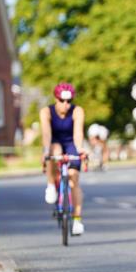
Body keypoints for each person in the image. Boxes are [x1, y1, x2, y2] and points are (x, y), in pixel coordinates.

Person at [40, 82, 86, 236]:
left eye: (69, 101)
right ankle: (51, 184)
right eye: (62, 101)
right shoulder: (46, 112)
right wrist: (46, 150)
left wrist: (79, 150)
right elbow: (46, 133)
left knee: (74, 179)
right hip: (54, 143)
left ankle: (77, 220)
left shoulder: (77, 111)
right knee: (55, 151)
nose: (66, 105)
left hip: (71, 144)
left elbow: (78, 133)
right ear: (56, 99)